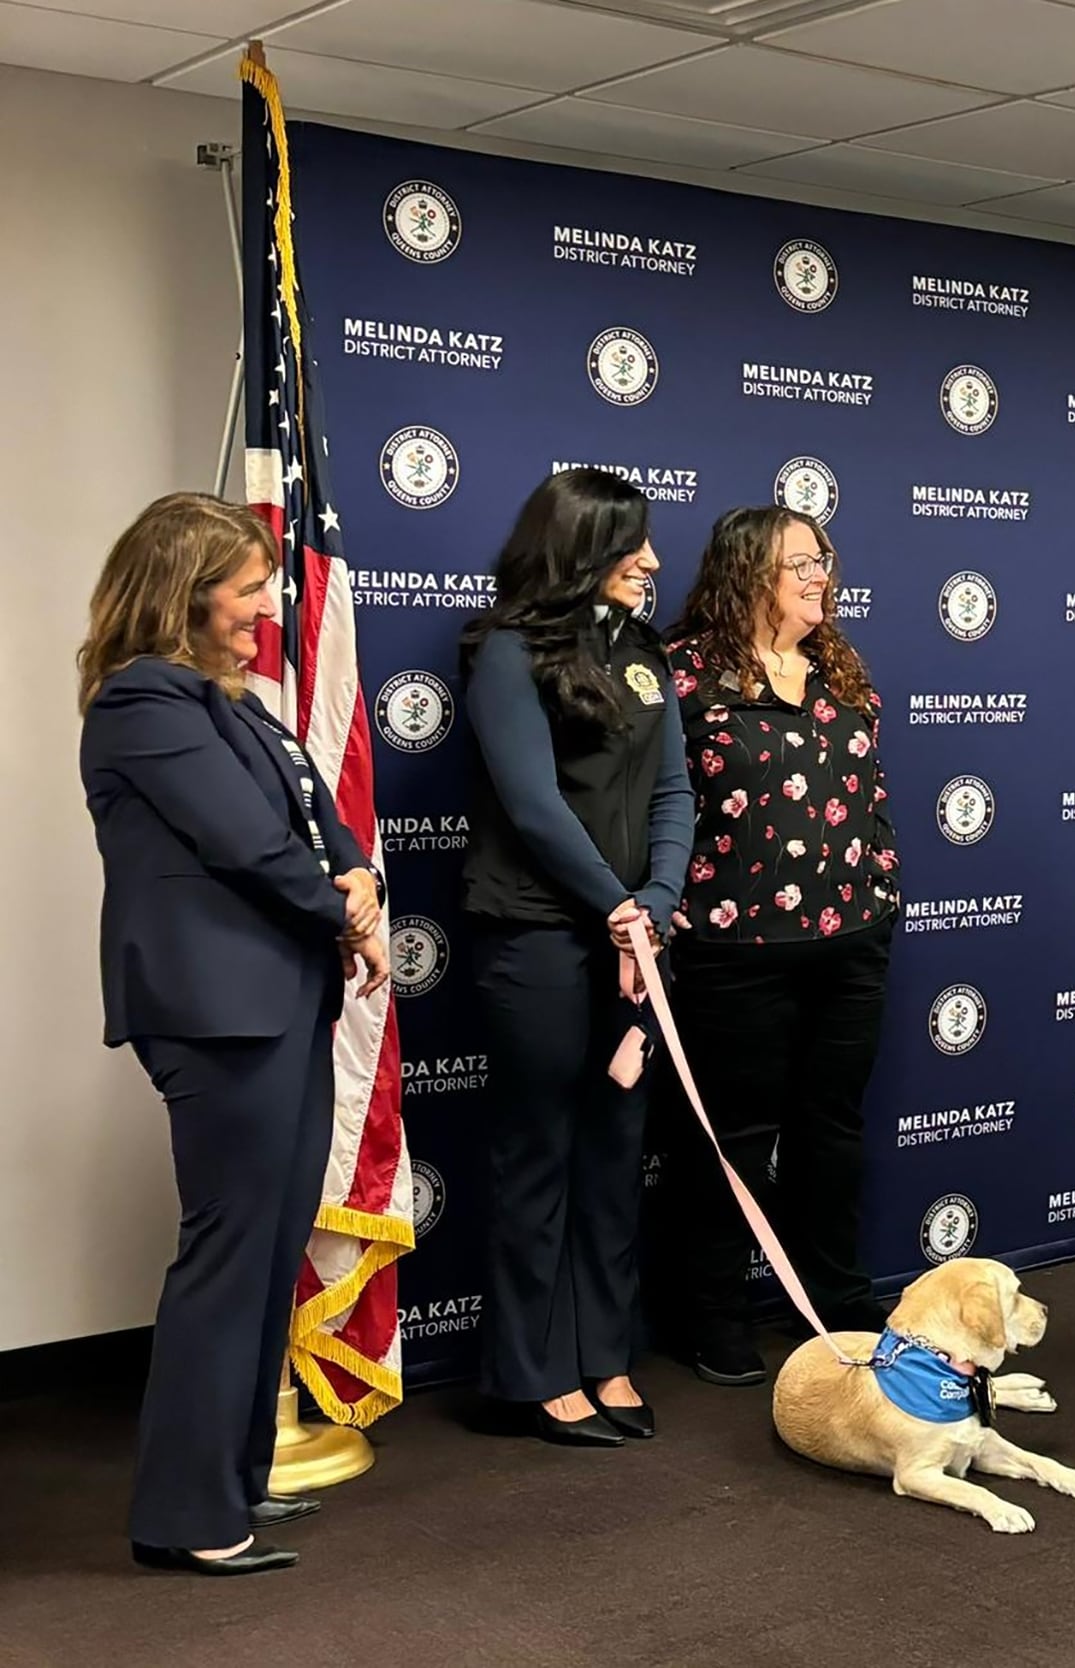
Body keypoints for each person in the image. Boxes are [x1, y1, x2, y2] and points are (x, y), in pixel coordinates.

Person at [78, 492, 389, 1576]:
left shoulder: (231, 700)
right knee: (230, 1248)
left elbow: (312, 813)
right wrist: (342, 904)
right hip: (220, 1012)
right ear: (184, 592)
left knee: (267, 1244)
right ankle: (186, 1515)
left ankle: (231, 1478)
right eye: (249, 586)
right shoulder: (142, 701)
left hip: (279, 995)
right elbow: (249, 844)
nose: (270, 604)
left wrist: (353, 874)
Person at [459, 469, 694, 1446]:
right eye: (628, 544)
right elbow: (534, 808)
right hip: (539, 938)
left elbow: (675, 792)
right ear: (579, 550)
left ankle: (605, 1353)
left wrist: (656, 903)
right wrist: (617, 911)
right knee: (541, 1153)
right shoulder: (506, 653)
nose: (649, 561)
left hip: (632, 941)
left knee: (616, 1149)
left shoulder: (642, 650)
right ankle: (533, 1370)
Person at [663, 505, 900, 1387]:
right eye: (798, 562)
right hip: (736, 948)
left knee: (831, 1128)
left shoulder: (841, 674)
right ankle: (712, 1314)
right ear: (746, 575)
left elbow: (873, 794)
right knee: (730, 1137)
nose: (818, 575)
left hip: (850, 941)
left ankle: (837, 1297)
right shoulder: (685, 675)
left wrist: (881, 880)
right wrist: (675, 896)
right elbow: (658, 800)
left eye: (822, 558)